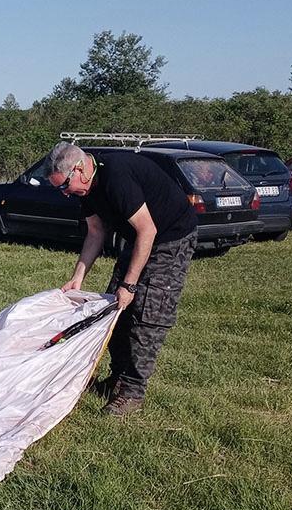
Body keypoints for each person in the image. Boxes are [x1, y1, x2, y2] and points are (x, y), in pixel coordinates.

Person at [47, 141, 199, 416]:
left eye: (64, 186)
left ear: (81, 168)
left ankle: (132, 394)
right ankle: (116, 379)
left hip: (169, 238)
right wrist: (77, 278)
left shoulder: (116, 177)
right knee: (114, 311)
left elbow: (148, 231)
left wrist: (129, 284)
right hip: (138, 239)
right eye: (59, 189)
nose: (65, 194)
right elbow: (95, 232)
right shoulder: (85, 189)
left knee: (146, 316)